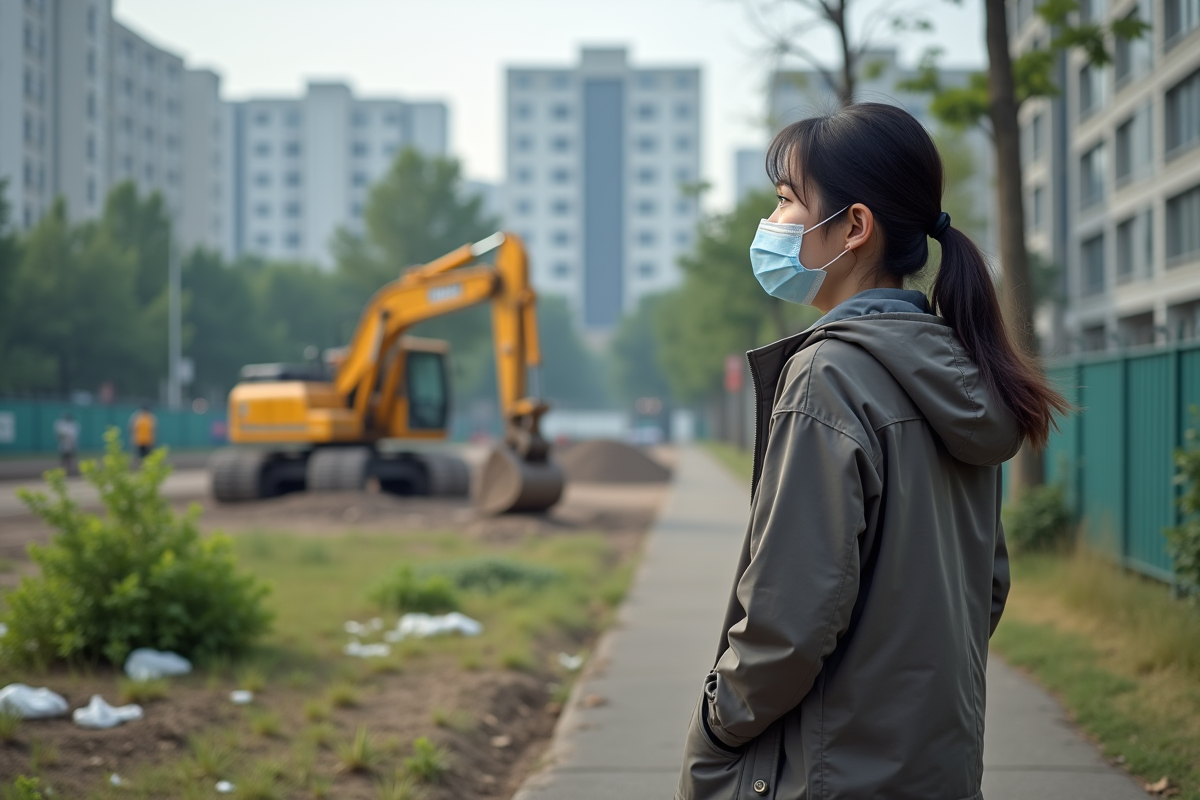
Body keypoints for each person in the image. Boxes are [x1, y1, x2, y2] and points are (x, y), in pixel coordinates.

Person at [676, 103, 1070, 800]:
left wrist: (718, 723)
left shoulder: (830, 378)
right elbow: (987, 586)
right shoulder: (954, 370)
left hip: (831, 771)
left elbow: (789, 617)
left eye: (787, 201)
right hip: (933, 762)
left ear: (854, 227)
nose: (771, 224)